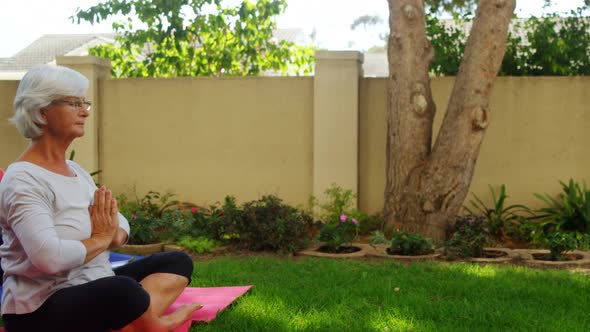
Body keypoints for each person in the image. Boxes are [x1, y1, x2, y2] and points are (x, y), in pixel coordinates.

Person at [0, 65, 202, 332]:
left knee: (177, 261)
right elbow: (48, 258)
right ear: (41, 111)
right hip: (42, 306)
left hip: (94, 281)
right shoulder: (23, 180)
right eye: (74, 103)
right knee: (124, 291)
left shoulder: (76, 172)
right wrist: (101, 239)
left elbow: (119, 222)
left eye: (85, 103)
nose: (84, 111)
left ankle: (125, 324)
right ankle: (154, 326)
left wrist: (113, 235)